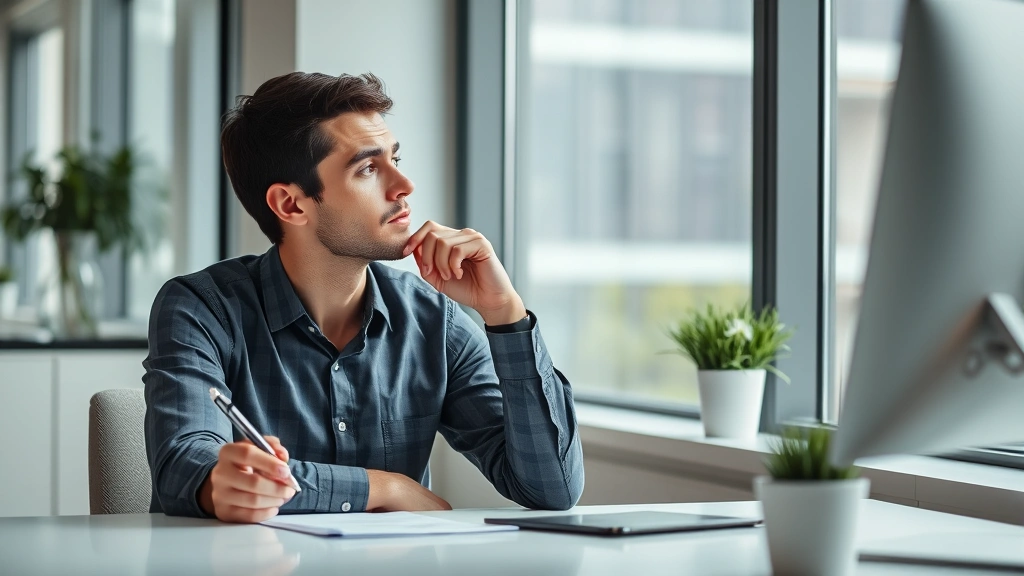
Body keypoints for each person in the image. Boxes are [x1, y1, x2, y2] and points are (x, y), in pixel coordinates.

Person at [143, 72, 585, 523]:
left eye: (395, 158)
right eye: (368, 168)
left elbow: (553, 488)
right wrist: (384, 486)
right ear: (291, 205)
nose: (404, 185)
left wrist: (504, 313)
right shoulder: (201, 309)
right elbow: (186, 466)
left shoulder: (436, 322)